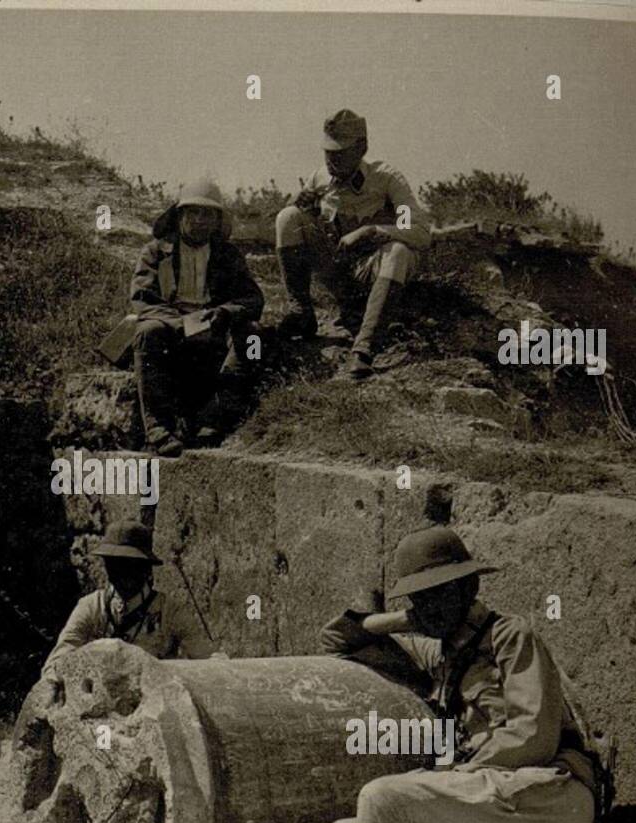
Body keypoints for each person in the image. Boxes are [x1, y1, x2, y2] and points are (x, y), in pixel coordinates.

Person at [306, 525, 597, 823]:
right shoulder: (439, 652)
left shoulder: (510, 637)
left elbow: (535, 737)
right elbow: (335, 639)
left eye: (439, 592)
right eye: (420, 597)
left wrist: (453, 775)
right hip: (487, 818)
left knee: (381, 797)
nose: (430, 607)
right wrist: (409, 618)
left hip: (546, 806)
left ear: (469, 587)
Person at [275, 108, 431, 380]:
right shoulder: (319, 177)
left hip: (376, 271)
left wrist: (371, 230)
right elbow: (296, 226)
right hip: (339, 270)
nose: (332, 159)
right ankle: (301, 312)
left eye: (340, 152)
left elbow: (418, 230)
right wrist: (300, 205)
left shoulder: (386, 179)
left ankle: (365, 347)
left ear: (362, 148)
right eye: (328, 151)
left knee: (398, 251)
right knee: (287, 217)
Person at [127, 178, 264, 457]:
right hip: (170, 329)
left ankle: (215, 417)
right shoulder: (156, 252)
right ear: (179, 216)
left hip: (214, 330)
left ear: (217, 221)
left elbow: (253, 299)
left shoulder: (227, 255)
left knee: (253, 337)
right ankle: (158, 430)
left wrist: (224, 312)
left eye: (208, 214)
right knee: (146, 332)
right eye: (193, 213)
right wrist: (184, 325)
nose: (200, 221)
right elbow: (143, 300)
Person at [41, 521, 220, 681]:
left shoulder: (169, 611)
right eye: (114, 565)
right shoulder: (91, 606)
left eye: (130, 565)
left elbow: (208, 658)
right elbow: (59, 658)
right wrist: (53, 681)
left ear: (145, 569)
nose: (122, 574)